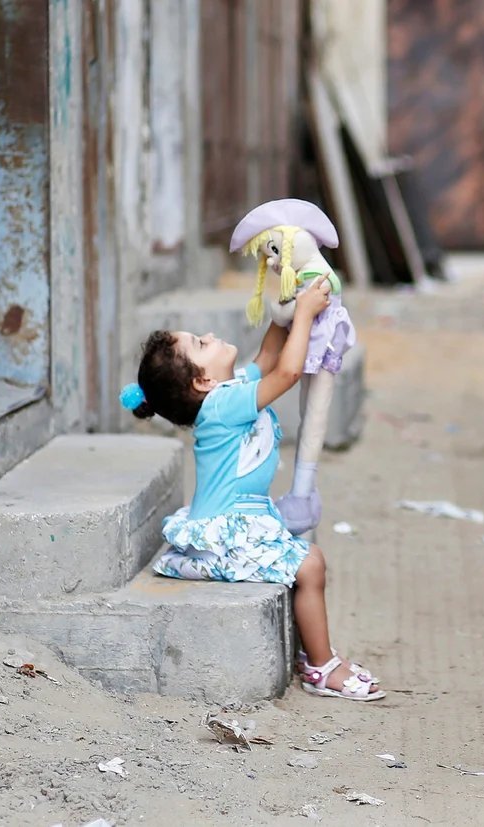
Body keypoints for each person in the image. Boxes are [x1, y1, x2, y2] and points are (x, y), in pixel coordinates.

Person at [119, 278, 384, 701]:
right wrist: (304, 315)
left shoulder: (229, 389)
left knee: (304, 557)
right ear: (202, 382)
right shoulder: (222, 408)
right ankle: (320, 666)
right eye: (200, 344)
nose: (209, 336)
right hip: (227, 531)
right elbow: (288, 371)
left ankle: (316, 657)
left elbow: (268, 355)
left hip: (242, 516)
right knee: (310, 565)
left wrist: (285, 306)